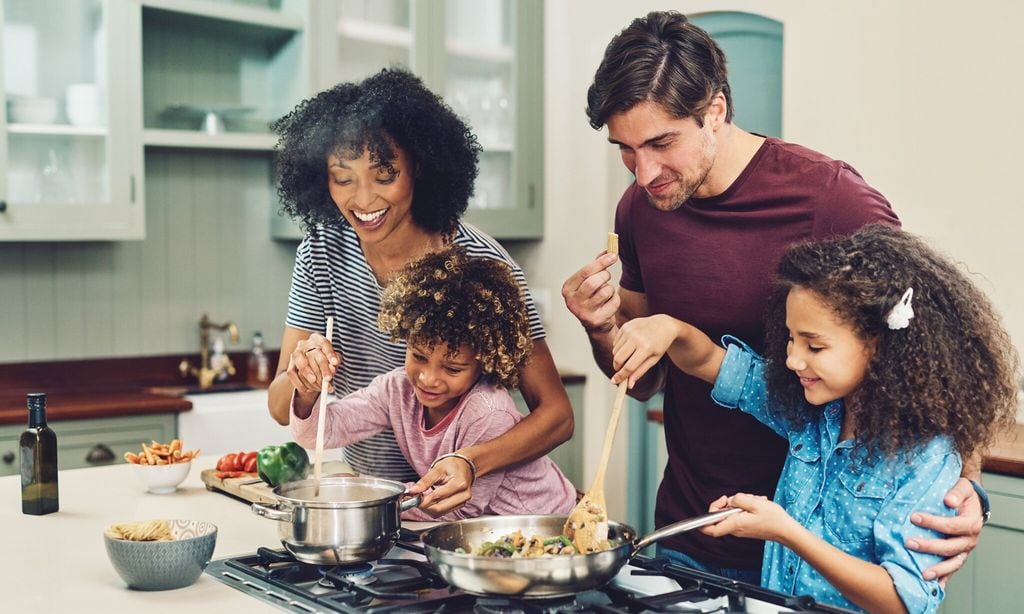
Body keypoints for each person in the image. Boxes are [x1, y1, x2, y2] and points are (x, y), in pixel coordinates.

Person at [562, 10, 984, 582]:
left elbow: (934, 352)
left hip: (830, 556)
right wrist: (600, 328)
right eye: (626, 150)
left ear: (714, 110)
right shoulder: (640, 210)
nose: (644, 173)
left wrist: (970, 488)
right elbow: (644, 385)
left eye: (662, 143)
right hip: (692, 532)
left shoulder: (832, 199)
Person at [608, 225, 1019, 612]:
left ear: (877, 345)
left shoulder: (926, 458)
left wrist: (785, 531)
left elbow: (901, 601)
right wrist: (670, 329)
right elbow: (712, 361)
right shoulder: (809, 410)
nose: (792, 359)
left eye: (814, 346)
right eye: (790, 337)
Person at [268, 68, 573, 515]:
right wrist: (304, 378)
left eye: (384, 174)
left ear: (420, 168)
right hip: (378, 502)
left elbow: (556, 416)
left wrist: (469, 461)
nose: (363, 199)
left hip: (461, 511)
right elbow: (282, 408)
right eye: (343, 177)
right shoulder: (321, 251)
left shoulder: (483, 265)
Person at [291, 248, 577, 520]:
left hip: (544, 521)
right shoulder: (397, 390)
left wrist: (363, 492)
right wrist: (307, 390)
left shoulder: (488, 412)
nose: (428, 378)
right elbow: (321, 432)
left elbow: (458, 508)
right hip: (484, 529)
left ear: (484, 361)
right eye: (418, 356)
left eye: (452, 368)